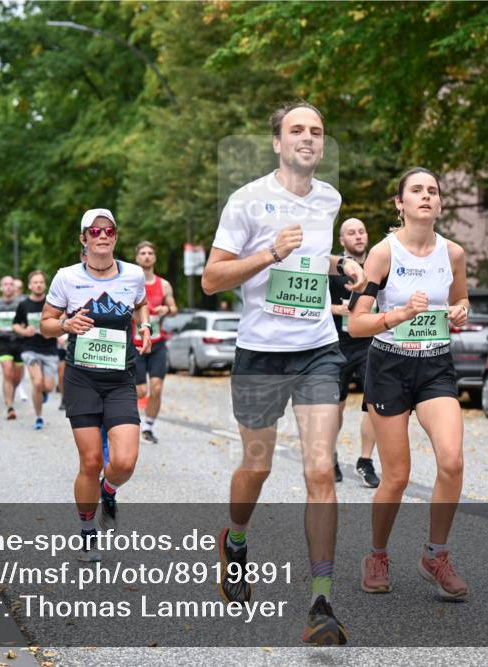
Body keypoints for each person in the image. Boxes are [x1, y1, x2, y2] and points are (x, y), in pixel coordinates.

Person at [201, 101, 366, 645]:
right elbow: (211, 279)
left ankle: (321, 601)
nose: (308, 138)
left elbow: (311, 260)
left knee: (320, 471)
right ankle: (238, 540)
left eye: (316, 131)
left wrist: (339, 265)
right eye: (297, 129)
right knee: (258, 467)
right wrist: (269, 251)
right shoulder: (246, 201)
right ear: (277, 143)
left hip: (318, 349)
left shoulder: (329, 199)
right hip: (261, 353)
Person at [347, 167, 470, 599]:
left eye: (432, 191)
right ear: (399, 204)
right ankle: (377, 555)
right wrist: (396, 315)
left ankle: (436, 555)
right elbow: (357, 324)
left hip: (435, 364)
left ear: (439, 203)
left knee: (452, 461)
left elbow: (460, 300)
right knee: (397, 476)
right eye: (415, 191)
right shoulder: (383, 253)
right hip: (389, 366)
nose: (425, 196)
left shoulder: (453, 253)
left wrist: (460, 312)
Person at [42, 208, 151, 561]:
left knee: (125, 461)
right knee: (90, 461)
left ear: (115, 237)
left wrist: (145, 326)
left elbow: (141, 304)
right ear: (83, 239)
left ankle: (109, 489)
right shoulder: (66, 278)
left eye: (108, 230)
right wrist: (65, 325)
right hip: (82, 379)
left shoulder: (133, 275)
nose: (102, 235)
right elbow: (45, 323)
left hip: (120, 379)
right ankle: (88, 533)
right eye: (94, 231)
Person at [329, 218, 381, 488]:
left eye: (362, 231)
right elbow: (312, 304)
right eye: (351, 232)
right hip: (337, 343)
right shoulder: (333, 269)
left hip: (369, 344)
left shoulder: (379, 265)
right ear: (342, 240)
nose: (358, 236)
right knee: (334, 407)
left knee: (375, 400)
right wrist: (336, 310)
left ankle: (365, 460)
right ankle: (330, 455)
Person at [132, 241, 178, 444]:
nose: (147, 256)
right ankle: (128, 423)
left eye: (150, 252)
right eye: (143, 253)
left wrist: (166, 310)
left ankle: (148, 427)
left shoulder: (164, 284)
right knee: (140, 391)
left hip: (158, 343)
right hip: (136, 343)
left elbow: (174, 308)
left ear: (155, 257)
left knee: (157, 388)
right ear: (137, 258)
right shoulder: (131, 283)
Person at [14, 270, 58, 430]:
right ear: (30, 285)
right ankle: (39, 417)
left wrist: (56, 332)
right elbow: (16, 324)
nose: (38, 285)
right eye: (35, 282)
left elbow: (63, 319)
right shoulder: (24, 304)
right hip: (30, 348)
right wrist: (24, 331)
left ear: (45, 285)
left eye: (41, 282)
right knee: (37, 382)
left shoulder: (53, 303)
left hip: (50, 349)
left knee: (48, 387)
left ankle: (43, 393)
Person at [0, 276, 25, 420]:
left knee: (17, 376)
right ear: (1, 287)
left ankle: (12, 390)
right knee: (7, 371)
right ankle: (10, 406)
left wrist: (24, 327)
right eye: (5, 284)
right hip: (3, 341)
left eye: (11, 284)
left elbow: (27, 319)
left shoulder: (22, 303)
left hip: (19, 341)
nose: (9, 287)